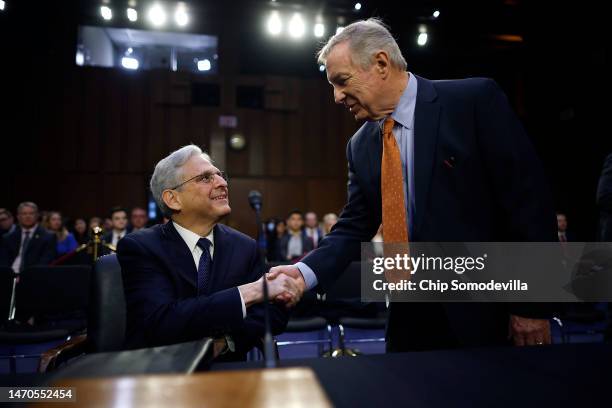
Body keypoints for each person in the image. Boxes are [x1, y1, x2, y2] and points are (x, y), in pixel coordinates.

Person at [269, 18, 557, 351]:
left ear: (380, 64)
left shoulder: (473, 102)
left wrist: (532, 306)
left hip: (486, 314)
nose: (336, 97)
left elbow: (528, 204)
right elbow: (352, 228)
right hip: (408, 318)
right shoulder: (360, 146)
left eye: (342, 81)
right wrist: (301, 274)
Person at [117, 145, 296, 360]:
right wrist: (249, 293)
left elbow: (274, 313)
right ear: (173, 199)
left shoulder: (245, 246)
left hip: (229, 373)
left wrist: (227, 342)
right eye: (205, 178)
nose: (222, 183)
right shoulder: (141, 247)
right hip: (159, 373)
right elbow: (160, 321)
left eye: (220, 176)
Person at [0, 202, 56, 273]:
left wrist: (26, 276)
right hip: (10, 275)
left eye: (31, 213)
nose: (28, 216)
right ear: (18, 217)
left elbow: (45, 262)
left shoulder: (48, 236)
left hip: (33, 275)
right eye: (24, 214)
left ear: (37, 215)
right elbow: (4, 262)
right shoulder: (8, 237)